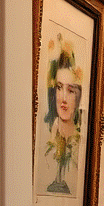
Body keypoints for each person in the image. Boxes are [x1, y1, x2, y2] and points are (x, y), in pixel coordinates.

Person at [39, 38, 83, 195]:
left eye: (70, 90)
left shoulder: (79, 140)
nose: (63, 98)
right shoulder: (48, 137)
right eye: (59, 88)